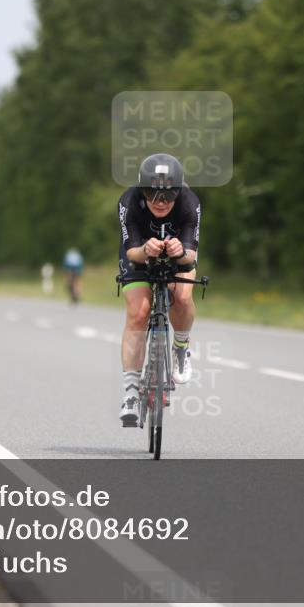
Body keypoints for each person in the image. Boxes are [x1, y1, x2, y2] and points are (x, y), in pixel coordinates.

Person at [117, 153, 200, 426]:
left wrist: (180, 251)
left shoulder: (189, 202)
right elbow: (132, 252)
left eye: (169, 194)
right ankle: (131, 392)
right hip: (139, 253)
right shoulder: (129, 201)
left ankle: (181, 347)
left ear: (179, 192)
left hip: (178, 254)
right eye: (153, 193)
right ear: (143, 190)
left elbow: (190, 255)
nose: (161, 201)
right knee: (138, 313)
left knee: (183, 296)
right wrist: (145, 249)